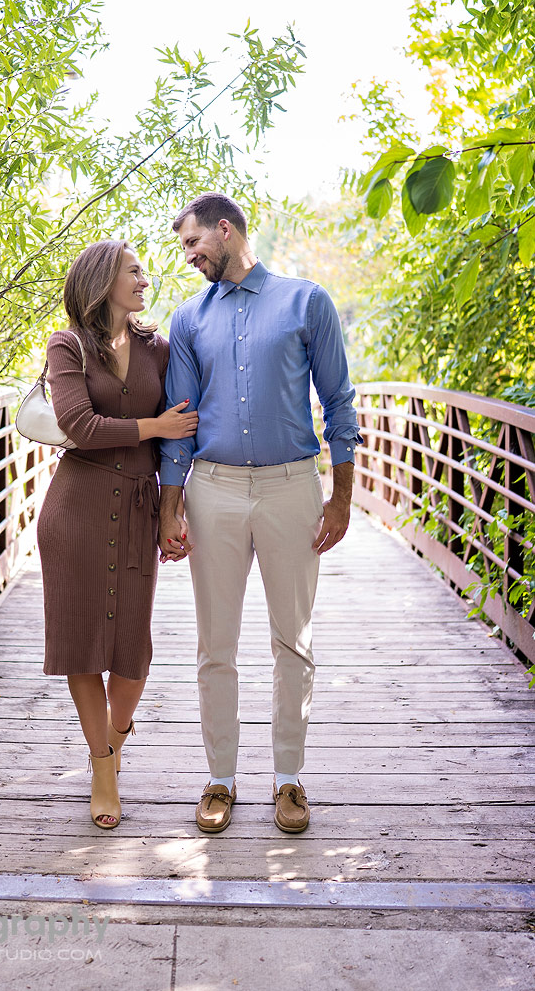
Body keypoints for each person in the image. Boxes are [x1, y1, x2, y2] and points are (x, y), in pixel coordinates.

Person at [157, 192, 362, 836]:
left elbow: (338, 400)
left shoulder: (307, 302)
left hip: (291, 487)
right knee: (214, 643)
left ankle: (288, 779)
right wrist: (171, 506)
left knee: (292, 640)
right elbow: (180, 422)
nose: (188, 258)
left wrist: (342, 496)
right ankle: (219, 778)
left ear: (225, 231)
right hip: (212, 489)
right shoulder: (188, 319)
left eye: (193, 244)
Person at [37, 239, 198, 829]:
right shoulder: (68, 345)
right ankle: (102, 769)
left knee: (133, 651)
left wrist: (170, 510)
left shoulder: (159, 347)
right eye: (134, 271)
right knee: (82, 644)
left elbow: (182, 431)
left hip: (135, 505)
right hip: (75, 511)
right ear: (103, 280)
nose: (145, 279)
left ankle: (115, 737)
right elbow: (76, 423)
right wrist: (153, 424)